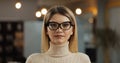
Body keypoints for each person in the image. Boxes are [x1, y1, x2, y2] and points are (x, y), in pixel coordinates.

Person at [26, 5, 91, 63]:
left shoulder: (83, 60)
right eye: (53, 25)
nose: (59, 30)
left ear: (72, 30)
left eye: (65, 25)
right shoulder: (33, 60)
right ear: (46, 30)